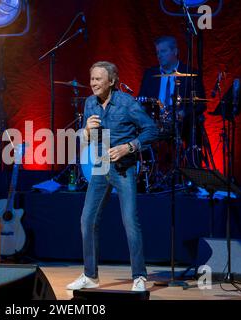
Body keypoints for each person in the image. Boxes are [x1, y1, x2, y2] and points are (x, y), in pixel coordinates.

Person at [66, 61, 159, 292]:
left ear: (112, 81)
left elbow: (152, 130)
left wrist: (129, 146)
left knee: (130, 221)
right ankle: (90, 275)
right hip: (99, 167)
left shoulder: (127, 103)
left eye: (98, 79)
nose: (93, 83)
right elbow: (86, 140)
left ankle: (139, 276)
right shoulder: (89, 103)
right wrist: (86, 129)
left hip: (123, 168)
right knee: (87, 220)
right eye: (92, 79)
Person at [139, 36, 207, 167]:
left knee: (195, 126)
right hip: (156, 123)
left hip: (182, 124)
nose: (159, 55)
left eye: (163, 51)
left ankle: (192, 174)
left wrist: (183, 114)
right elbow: (141, 101)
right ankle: (145, 175)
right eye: (157, 52)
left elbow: (200, 105)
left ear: (175, 51)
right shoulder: (150, 74)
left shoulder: (191, 74)